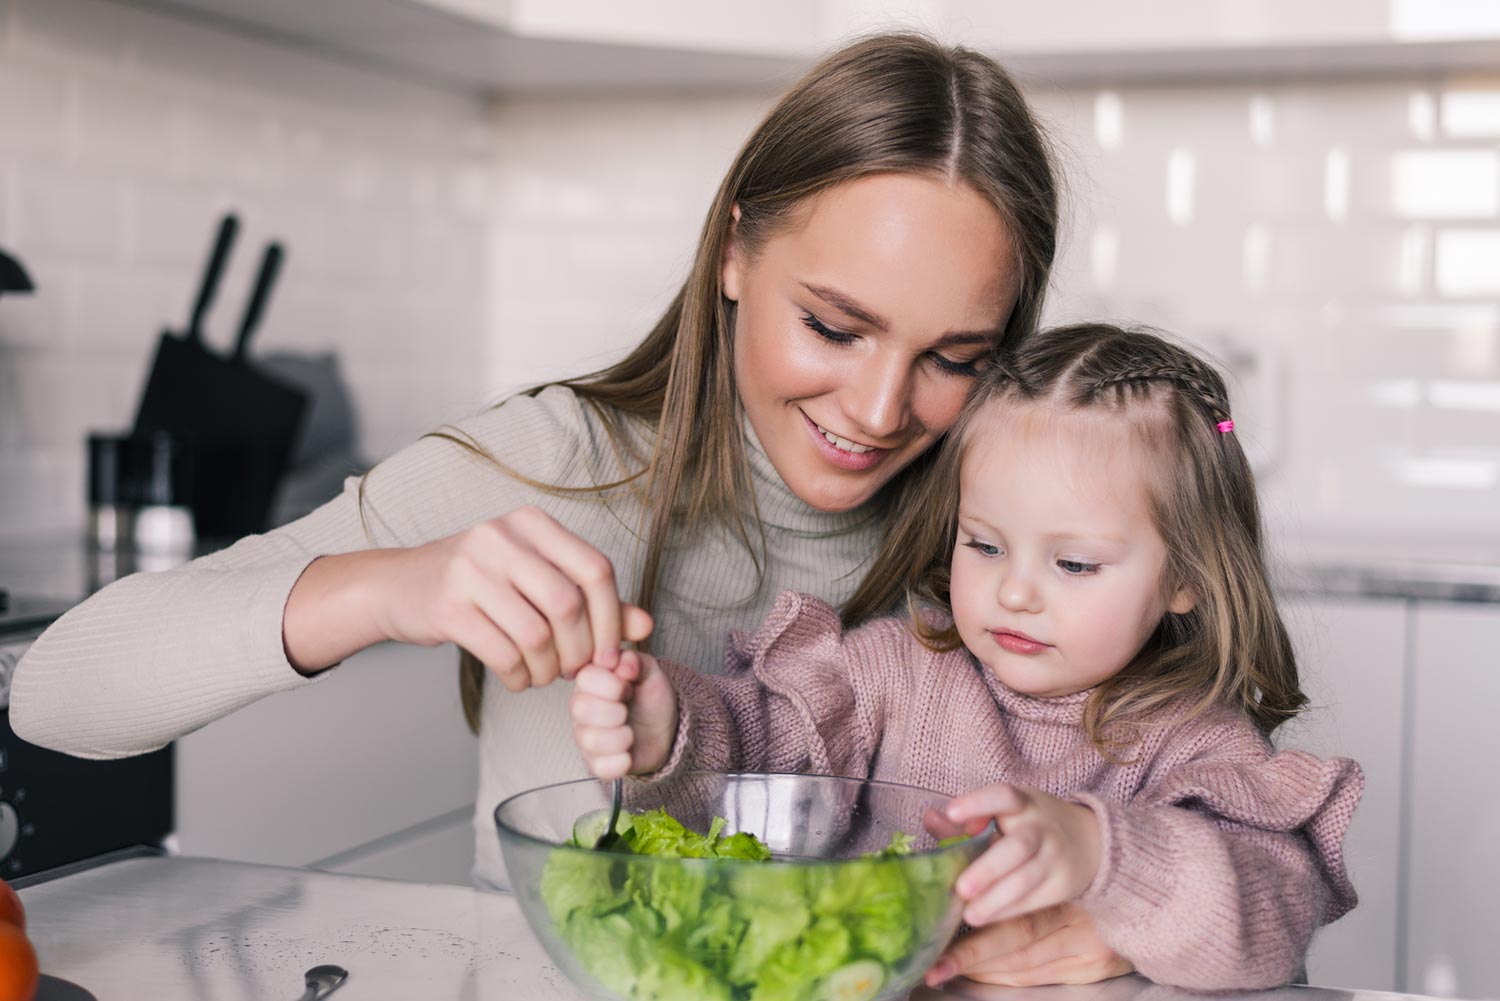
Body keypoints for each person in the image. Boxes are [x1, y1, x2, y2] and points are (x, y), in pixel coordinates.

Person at [11, 33, 1128, 985]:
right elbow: (56, 696)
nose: (881, 409)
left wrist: (1109, 917)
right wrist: (388, 585)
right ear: (735, 251)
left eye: (953, 357)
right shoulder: (554, 465)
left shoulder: (1020, 541)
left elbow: (1209, 809)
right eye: (835, 327)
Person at [569, 322, 1365, 991]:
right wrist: (667, 722)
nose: (1014, 592)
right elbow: (761, 737)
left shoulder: (1193, 741)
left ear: (1185, 577)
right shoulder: (895, 671)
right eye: (984, 544)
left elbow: (1276, 906)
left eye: (1074, 564)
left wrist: (1102, 853)